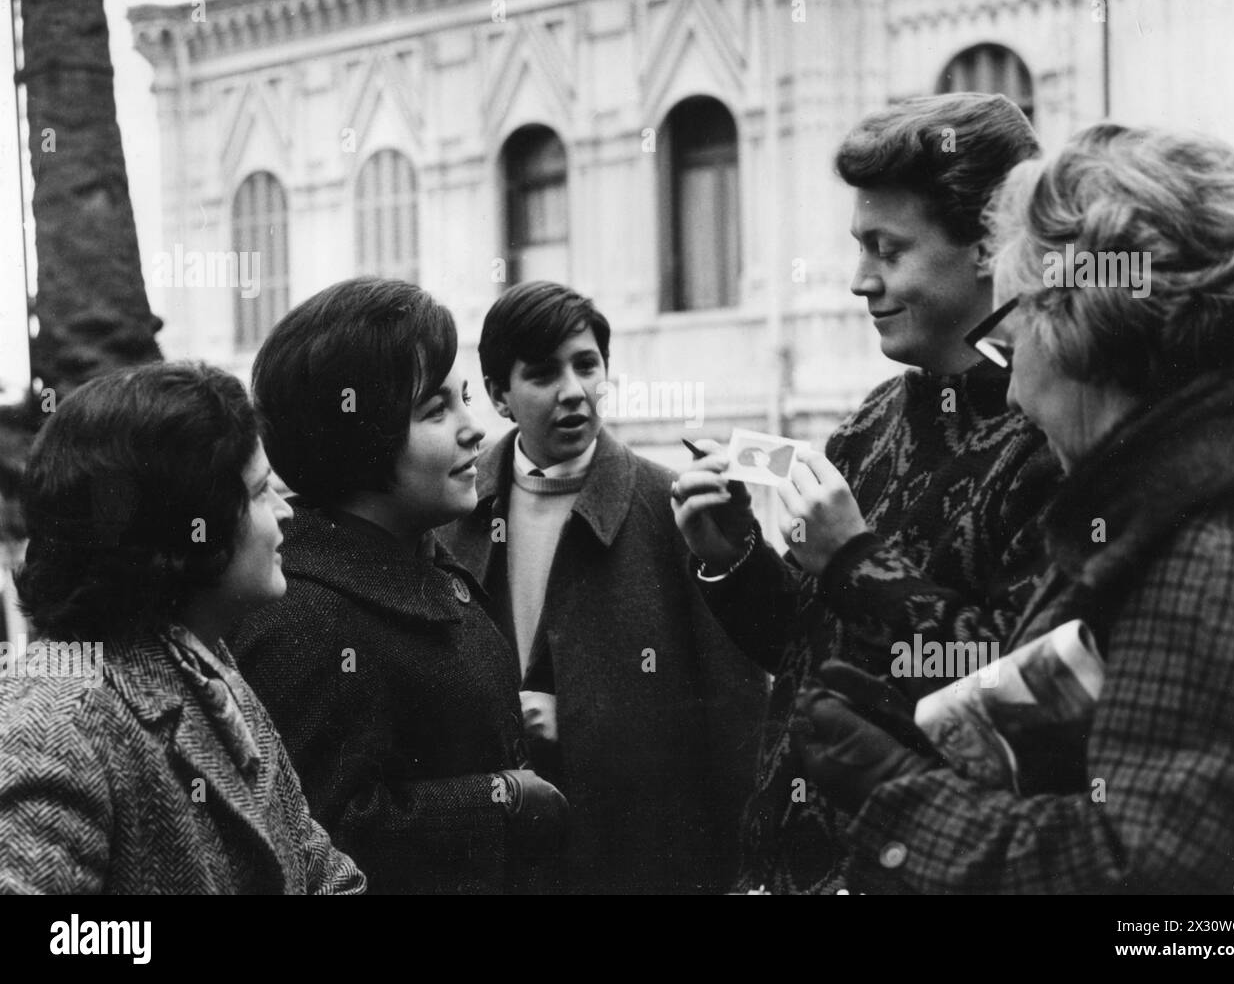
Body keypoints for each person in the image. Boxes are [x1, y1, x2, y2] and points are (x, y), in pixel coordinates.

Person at [797, 124, 1234, 894]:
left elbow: (1168, 902)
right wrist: (940, 743)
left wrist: (899, 800)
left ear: (1082, 328)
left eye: (1012, 328)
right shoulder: (1188, 503)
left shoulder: (1212, 550)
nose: (1015, 388)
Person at [672, 93, 1061, 893]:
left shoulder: (1053, 440)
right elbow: (810, 649)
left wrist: (853, 559)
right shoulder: (871, 423)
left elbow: (1022, 698)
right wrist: (735, 558)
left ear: (989, 246)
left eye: (887, 249)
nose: (860, 281)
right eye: (860, 246)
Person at [230, 278, 567, 895]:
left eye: (464, 399)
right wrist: (501, 799)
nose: (475, 430)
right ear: (359, 437)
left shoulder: (422, 562)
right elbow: (318, 838)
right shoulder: (306, 616)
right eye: (435, 410)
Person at [437, 280, 767, 895]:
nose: (573, 392)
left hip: (640, 864)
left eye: (587, 366)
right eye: (541, 374)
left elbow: (734, 712)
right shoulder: (453, 512)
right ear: (499, 397)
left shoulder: (671, 508)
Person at [0, 362, 364, 894]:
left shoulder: (207, 667)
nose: (285, 511)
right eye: (261, 490)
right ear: (190, 528)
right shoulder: (61, 719)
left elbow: (326, 876)